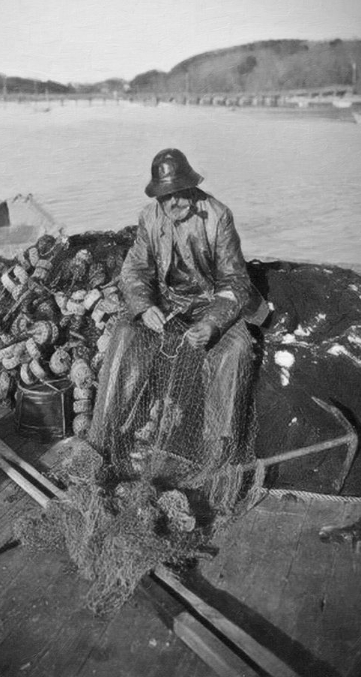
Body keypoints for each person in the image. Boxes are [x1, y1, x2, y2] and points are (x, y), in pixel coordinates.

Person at [89, 148, 268, 497]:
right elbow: (134, 271)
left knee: (237, 351)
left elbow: (235, 282)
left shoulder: (219, 216)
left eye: (177, 192)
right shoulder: (149, 217)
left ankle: (216, 457)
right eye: (164, 196)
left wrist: (213, 325)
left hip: (212, 303)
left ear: (191, 185)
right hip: (168, 305)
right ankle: (103, 442)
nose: (172, 203)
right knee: (125, 335)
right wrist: (144, 308)